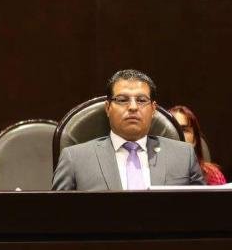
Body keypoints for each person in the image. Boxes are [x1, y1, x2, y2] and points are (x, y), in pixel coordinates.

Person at [52, 69, 204, 190]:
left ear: (153, 109)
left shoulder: (184, 156)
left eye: (141, 100)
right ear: (108, 108)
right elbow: (57, 215)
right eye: (122, 100)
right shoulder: (75, 159)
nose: (133, 107)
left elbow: (202, 211)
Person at [169, 105, 226, 185]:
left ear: (194, 140)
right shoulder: (152, 173)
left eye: (184, 130)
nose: (178, 134)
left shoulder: (213, 175)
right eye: (173, 128)